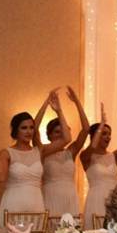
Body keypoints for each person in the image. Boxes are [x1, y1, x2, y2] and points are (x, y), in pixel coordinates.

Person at [0, 96, 64, 224]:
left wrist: (56, 110)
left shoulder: (39, 151)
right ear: (15, 131)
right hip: (14, 202)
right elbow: (1, 177)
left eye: (31, 128)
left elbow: (66, 139)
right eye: (24, 128)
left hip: (36, 203)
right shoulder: (7, 152)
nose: (28, 131)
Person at [34, 86, 89, 217]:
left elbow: (86, 129)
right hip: (50, 196)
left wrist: (76, 102)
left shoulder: (71, 151)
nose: (61, 135)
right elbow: (34, 128)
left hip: (70, 196)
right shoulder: (43, 151)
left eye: (63, 131)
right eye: (57, 132)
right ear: (48, 135)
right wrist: (46, 103)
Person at [80, 102, 117, 228]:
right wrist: (102, 123)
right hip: (96, 199)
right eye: (104, 133)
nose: (108, 137)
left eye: (109, 134)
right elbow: (92, 146)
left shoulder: (114, 156)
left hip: (114, 200)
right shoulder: (86, 156)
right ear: (94, 136)